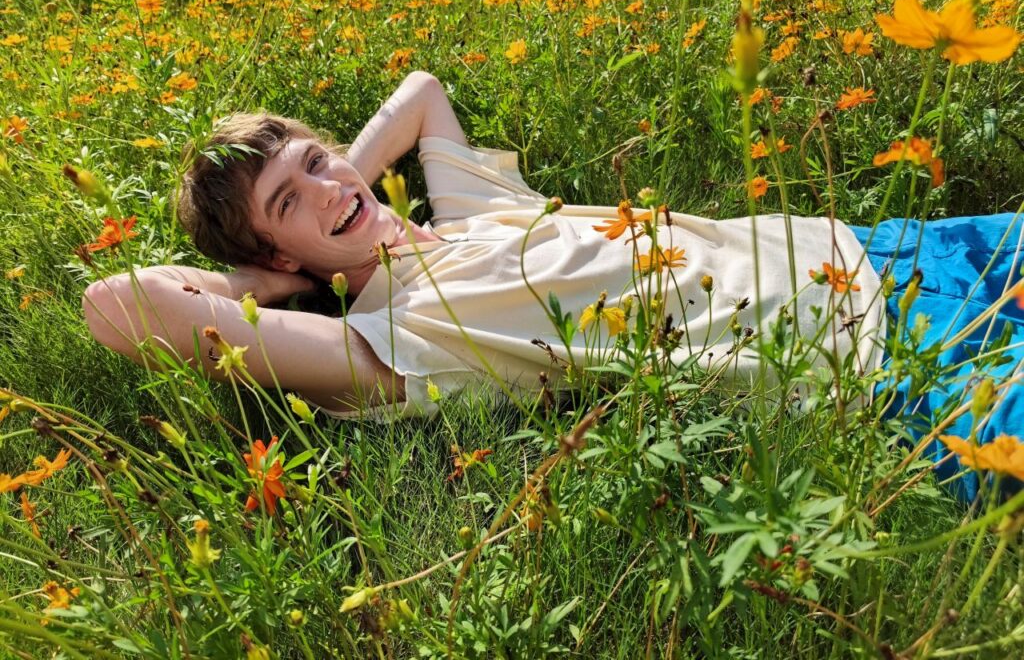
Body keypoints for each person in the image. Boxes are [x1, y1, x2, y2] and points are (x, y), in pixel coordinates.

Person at [82, 71, 1023, 499]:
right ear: (278, 258)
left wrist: (337, 194)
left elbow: (421, 91)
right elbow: (116, 305)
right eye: (290, 201)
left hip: (871, 249)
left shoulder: (475, 213)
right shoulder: (395, 342)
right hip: (881, 366)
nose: (327, 186)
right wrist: (264, 278)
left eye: (318, 160)